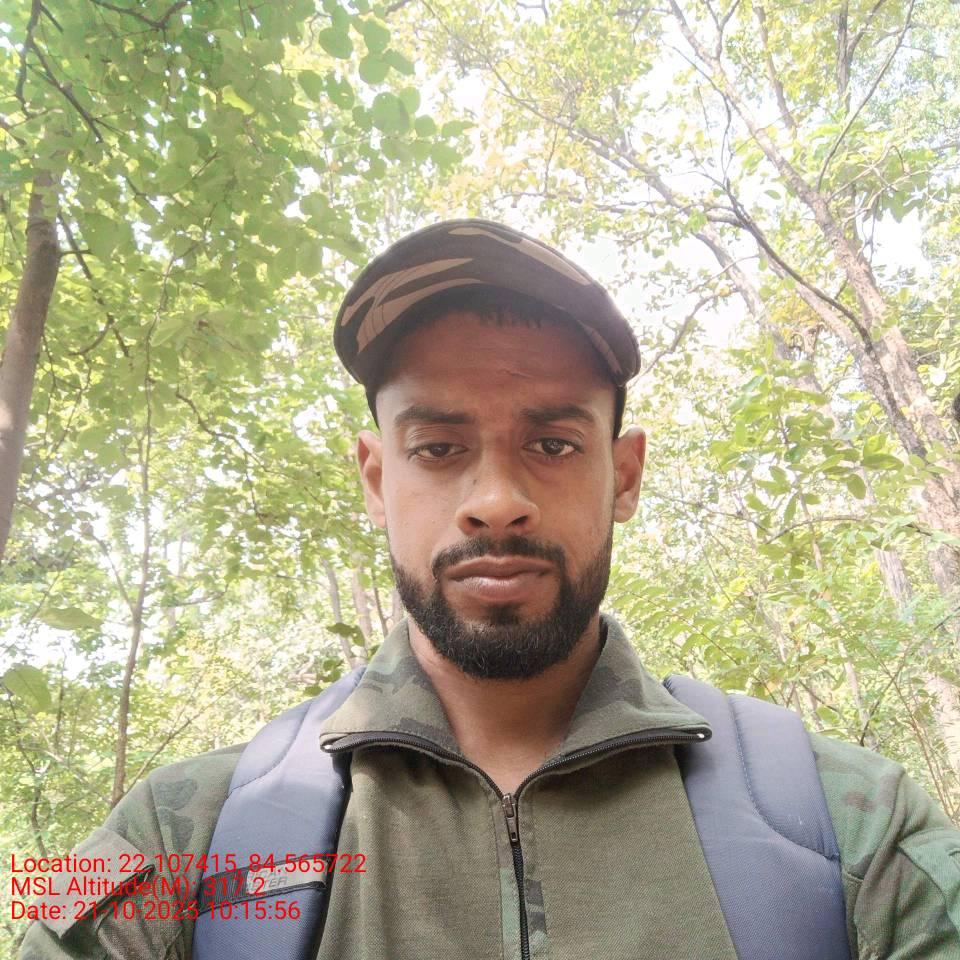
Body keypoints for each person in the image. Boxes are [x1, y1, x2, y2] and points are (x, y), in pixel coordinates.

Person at [20, 219, 960, 960]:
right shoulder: (180, 837)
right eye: (438, 448)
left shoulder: (853, 830)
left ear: (624, 476)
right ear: (377, 479)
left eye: (552, 443)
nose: (497, 501)